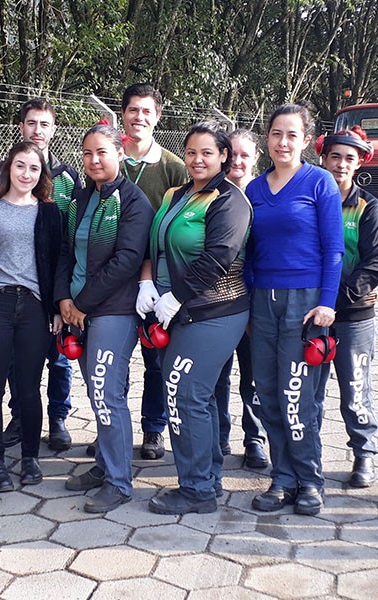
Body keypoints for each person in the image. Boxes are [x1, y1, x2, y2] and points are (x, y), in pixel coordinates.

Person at [138, 121, 251, 515]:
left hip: (215, 311)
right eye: (191, 152)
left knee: (184, 393)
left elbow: (219, 256)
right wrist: (148, 282)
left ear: (224, 156)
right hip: (178, 311)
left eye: (207, 152)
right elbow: (155, 242)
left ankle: (198, 490)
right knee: (198, 396)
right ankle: (208, 477)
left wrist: (176, 297)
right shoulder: (175, 194)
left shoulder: (230, 200)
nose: (197, 159)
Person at [246, 104, 344, 517]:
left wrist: (326, 302)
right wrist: (248, 302)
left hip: (305, 304)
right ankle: (282, 478)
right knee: (266, 395)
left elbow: (334, 248)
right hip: (261, 302)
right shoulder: (252, 189)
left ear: (306, 140)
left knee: (296, 396)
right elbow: (247, 252)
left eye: (291, 135)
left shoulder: (320, 182)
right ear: (266, 139)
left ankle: (310, 480)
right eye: (275, 134)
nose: (282, 142)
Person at [57, 125, 154, 512]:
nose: (94, 160)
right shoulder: (82, 198)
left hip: (113, 309)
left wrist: (82, 303)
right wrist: (63, 297)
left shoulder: (134, 201)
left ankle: (118, 482)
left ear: (119, 153)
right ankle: (104, 465)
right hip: (77, 309)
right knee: (97, 393)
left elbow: (127, 260)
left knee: (106, 393)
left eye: (102, 152)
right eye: (87, 153)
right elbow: (65, 251)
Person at [0, 98, 81, 452]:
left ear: (53, 129)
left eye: (44, 124)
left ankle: (57, 417)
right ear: (21, 126)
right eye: (31, 123)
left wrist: (61, 294)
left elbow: (69, 230)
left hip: (51, 281)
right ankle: (20, 416)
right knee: (13, 361)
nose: (38, 130)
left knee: (58, 359)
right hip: (6, 292)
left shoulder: (68, 176)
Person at [0, 141, 64, 492]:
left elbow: (57, 264)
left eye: (34, 168)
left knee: (29, 388)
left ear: (42, 174)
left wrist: (56, 309)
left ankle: (30, 458)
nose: (26, 174)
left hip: (35, 308)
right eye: (20, 166)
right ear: (9, 169)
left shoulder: (50, 213)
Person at [310, 126, 378, 489]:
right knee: (308, 390)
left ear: (359, 163)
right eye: (334, 156)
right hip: (310, 313)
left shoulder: (367, 207)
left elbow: (373, 264)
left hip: (353, 315)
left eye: (349, 158)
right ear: (323, 158)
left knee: (355, 388)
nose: (340, 164)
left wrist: (338, 299)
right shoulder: (308, 200)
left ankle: (364, 454)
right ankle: (307, 456)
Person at [122, 83, 189, 461]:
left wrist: (153, 279)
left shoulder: (172, 167)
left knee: (155, 362)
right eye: (133, 110)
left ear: (158, 116)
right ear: (124, 114)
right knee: (113, 360)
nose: (140, 117)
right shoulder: (109, 157)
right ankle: (111, 427)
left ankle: (153, 429)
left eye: (147, 111)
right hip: (113, 280)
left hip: (156, 282)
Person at [216, 129, 269, 469]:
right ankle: (218, 436)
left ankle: (255, 439)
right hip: (217, 305)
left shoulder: (264, 196)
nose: (237, 160)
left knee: (254, 377)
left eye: (244, 155)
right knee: (217, 375)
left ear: (256, 159)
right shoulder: (210, 193)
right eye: (231, 153)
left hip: (256, 303)